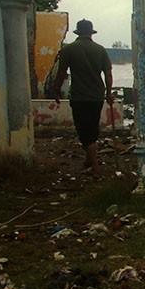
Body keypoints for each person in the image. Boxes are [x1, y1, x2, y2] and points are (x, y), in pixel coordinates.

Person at [54, 19, 113, 179]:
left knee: (84, 131)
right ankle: (89, 160)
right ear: (91, 33)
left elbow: (61, 73)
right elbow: (108, 74)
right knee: (92, 127)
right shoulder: (100, 50)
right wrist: (109, 93)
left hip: (79, 96)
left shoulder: (69, 49)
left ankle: (95, 167)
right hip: (97, 96)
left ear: (78, 32)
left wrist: (56, 90)